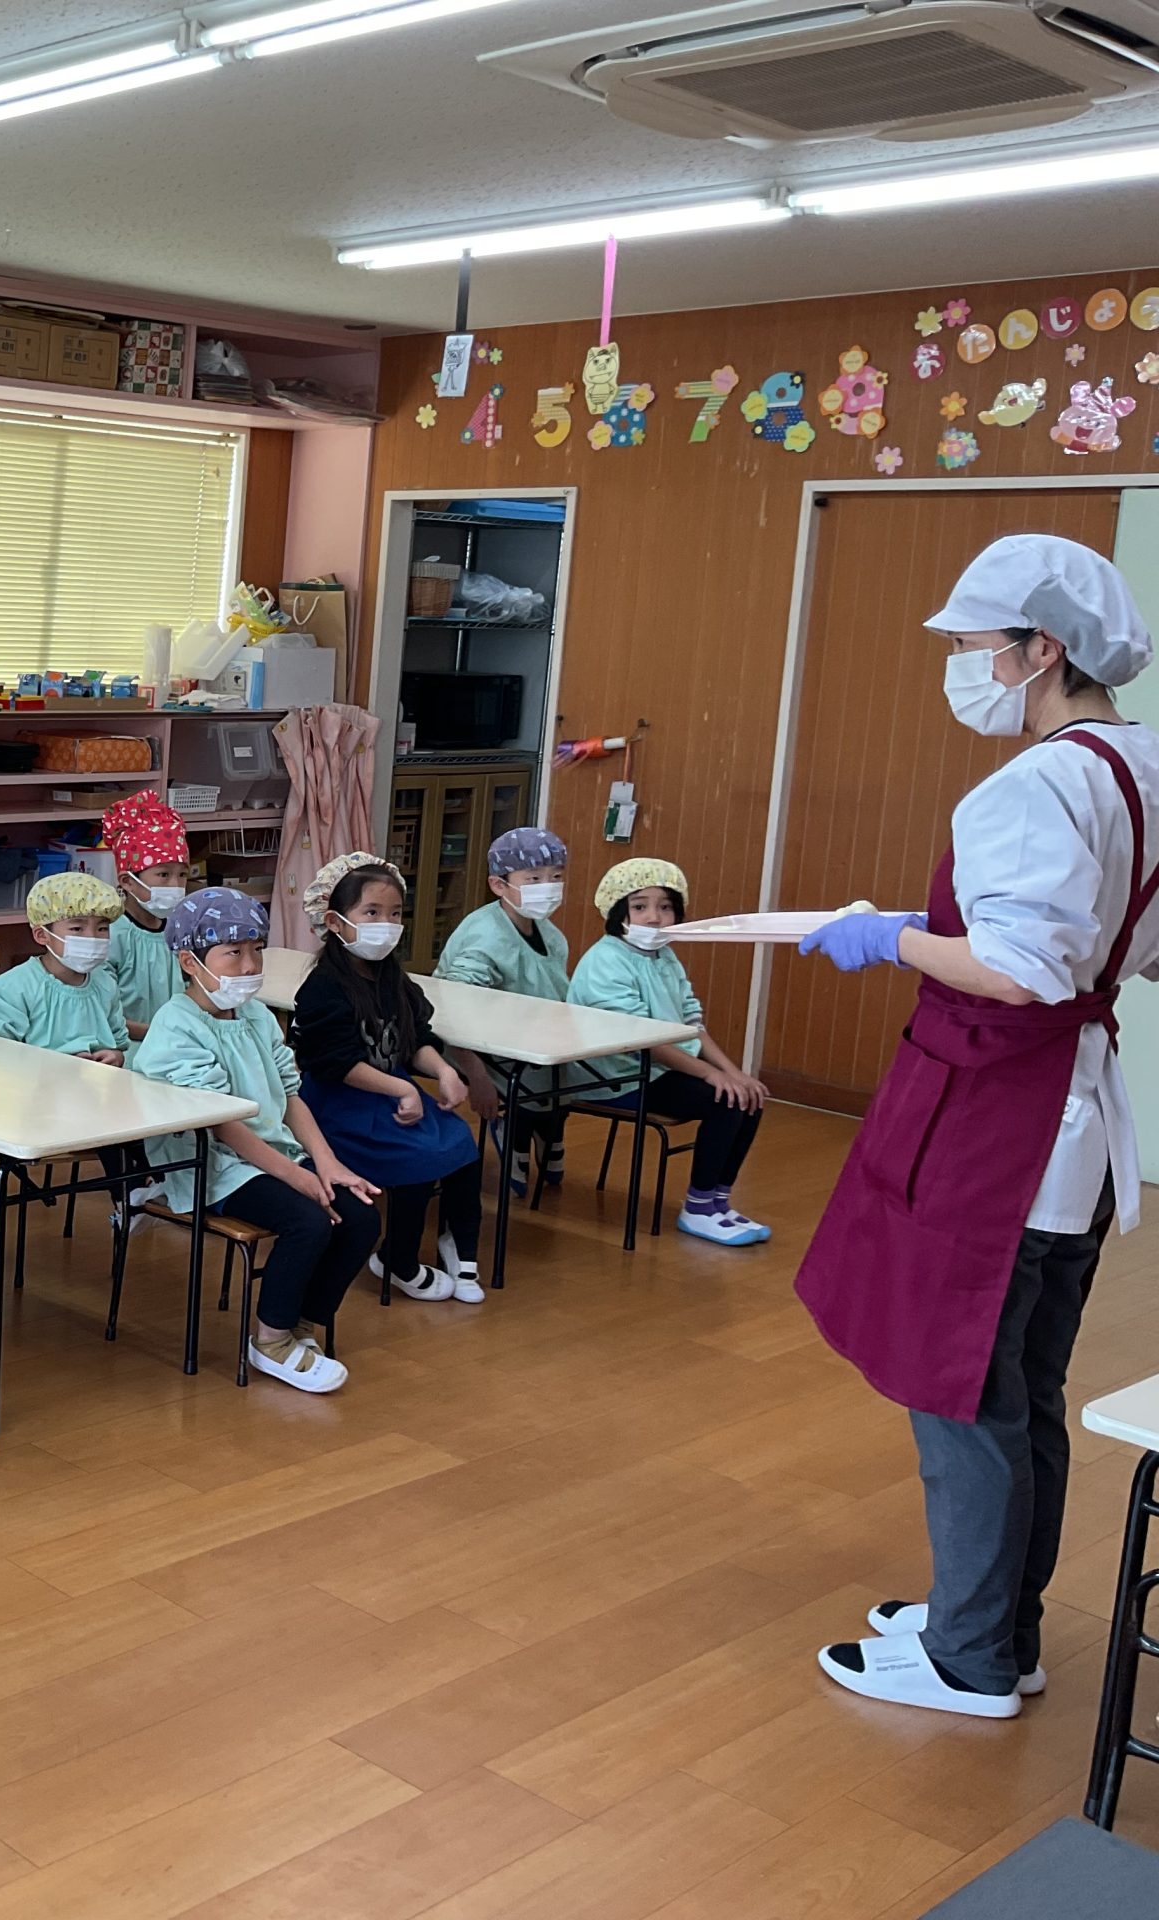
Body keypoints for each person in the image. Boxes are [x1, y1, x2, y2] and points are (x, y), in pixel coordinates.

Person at [797, 534, 1159, 1723]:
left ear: (1039, 649)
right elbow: (1124, 951)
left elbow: (1017, 972)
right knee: (1025, 1387)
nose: (960, 667)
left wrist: (888, 936)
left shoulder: (1033, 784)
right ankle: (1000, 1626)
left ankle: (965, 1658)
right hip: (1075, 1127)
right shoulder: (1144, 768)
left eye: (969, 646)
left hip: (1000, 1123)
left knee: (958, 1386)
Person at [134, 886, 383, 1393]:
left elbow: (290, 1096)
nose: (250, 965)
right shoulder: (176, 1026)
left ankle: (301, 1322)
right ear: (189, 961)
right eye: (233, 953)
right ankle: (270, 1342)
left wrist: (326, 1163)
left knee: (360, 1216)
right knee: (308, 1221)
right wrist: (297, 1177)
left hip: (271, 1154)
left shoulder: (257, 1016)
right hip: (211, 1166)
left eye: (257, 950)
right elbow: (221, 1123)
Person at [288, 854, 487, 1305]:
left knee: (460, 1142)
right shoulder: (323, 987)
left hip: (389, 1093)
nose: (387, 924)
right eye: (372, 913)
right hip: (339, 1104)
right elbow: (334, 1063)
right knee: (417, 1155)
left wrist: (444, 1071)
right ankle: (398, 1259)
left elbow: (415, 1039)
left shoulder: (395, 980)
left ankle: (463, 1251)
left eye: (395, 914)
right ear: (335, 922)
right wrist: (401, 1088)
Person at [568, 859, 772, 1246]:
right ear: (617, 911)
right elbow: (643, 1039)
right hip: (615, 1076)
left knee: (748, 1096)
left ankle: (718, 1202)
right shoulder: (605, 961)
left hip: (658, 1069)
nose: (655, 917)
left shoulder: (664, 956)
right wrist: (710, 1074)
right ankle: (698, 1209)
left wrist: (734, 1072)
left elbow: (692, 1022)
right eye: (640, 906)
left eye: (665, 907)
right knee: (724, 1100)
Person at [0, 871, 141, 1222]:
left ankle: (148, 1189)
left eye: (102, 928)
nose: (92, 938)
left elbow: (120, 1042)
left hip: (97, 1097)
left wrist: (115, 1056)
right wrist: (56, 1065)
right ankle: (131, 1196)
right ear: (42, 935)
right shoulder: (14, 988)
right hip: (32, 1103)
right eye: (77, 928)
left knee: (147, 1113)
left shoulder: (104, 984)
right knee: (112, 1120)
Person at [434, 826, 576, 1192]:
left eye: (556, 877)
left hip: (530, 1034)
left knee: (572, 1069)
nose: (548, 886)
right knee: (536, 1076)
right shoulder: (485, 937)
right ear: (499, 885)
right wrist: (477, 1076)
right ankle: (516, 1132)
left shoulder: (549, 933)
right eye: (534, 878)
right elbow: (451, 1012)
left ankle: (548, 1130)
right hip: (474, 1044)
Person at [100, 791, 192, 1063]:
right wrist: (159, 1032)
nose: (175, 885)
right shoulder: (111, 935)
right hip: (126, 1050)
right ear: (127, 881)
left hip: (176, 1044)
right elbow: (101, 1012)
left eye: (182, 875)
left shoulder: (178, 931)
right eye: (163, 875)